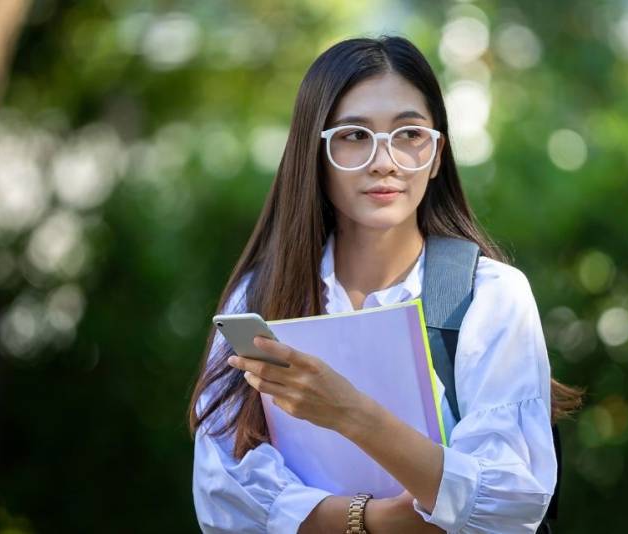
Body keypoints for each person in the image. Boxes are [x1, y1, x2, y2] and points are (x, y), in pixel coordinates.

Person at [186, 36, 582, 533]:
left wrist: (349, 412)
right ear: (317, 155)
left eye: (409, 134)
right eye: (354, 136)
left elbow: (507, 503)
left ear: (437, 156)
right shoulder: (259, 298)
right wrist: (375, 519)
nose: (385, 161)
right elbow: (224, 497)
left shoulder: (489, 296)